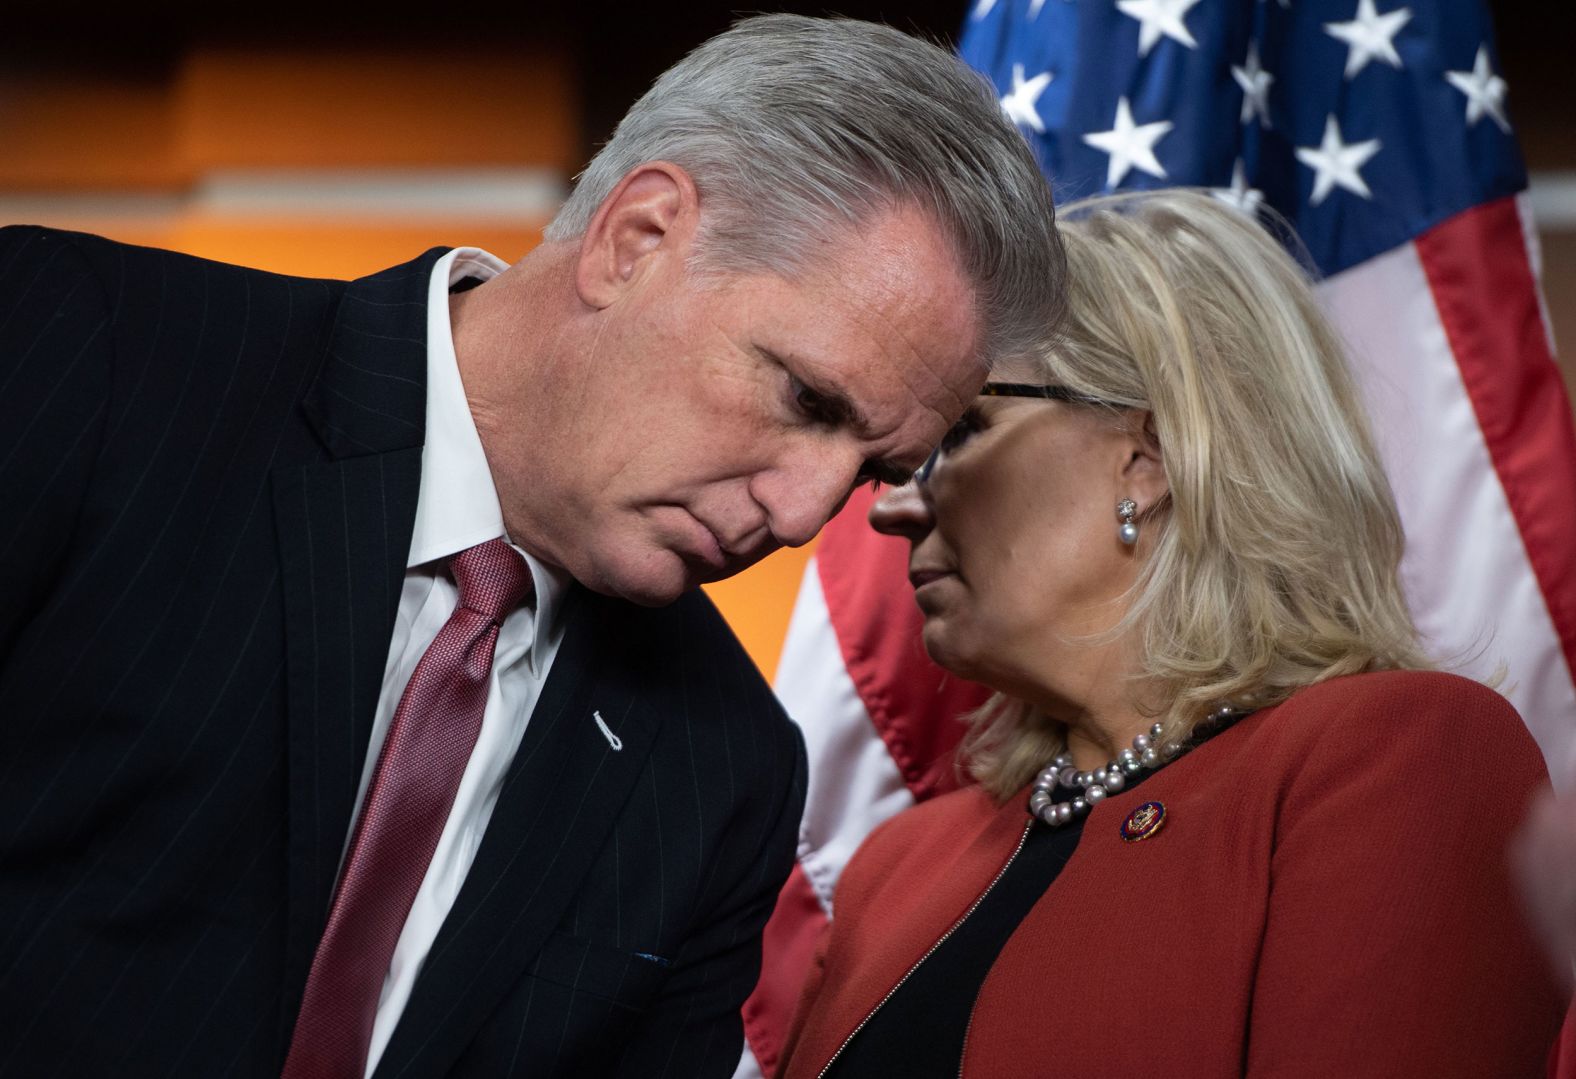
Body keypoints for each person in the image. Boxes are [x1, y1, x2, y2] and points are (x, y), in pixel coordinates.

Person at [0, 15, 1063, 1078]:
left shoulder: (726, 769)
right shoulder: (76, 354)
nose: (801, 513)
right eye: (804, 397)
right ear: (636, 239)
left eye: (874, 470)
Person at [778, 190, 1564, 1078]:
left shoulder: (1407, 757)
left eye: (961, 430)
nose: (892, 504)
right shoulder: (899, 865)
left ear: (1147, 457)